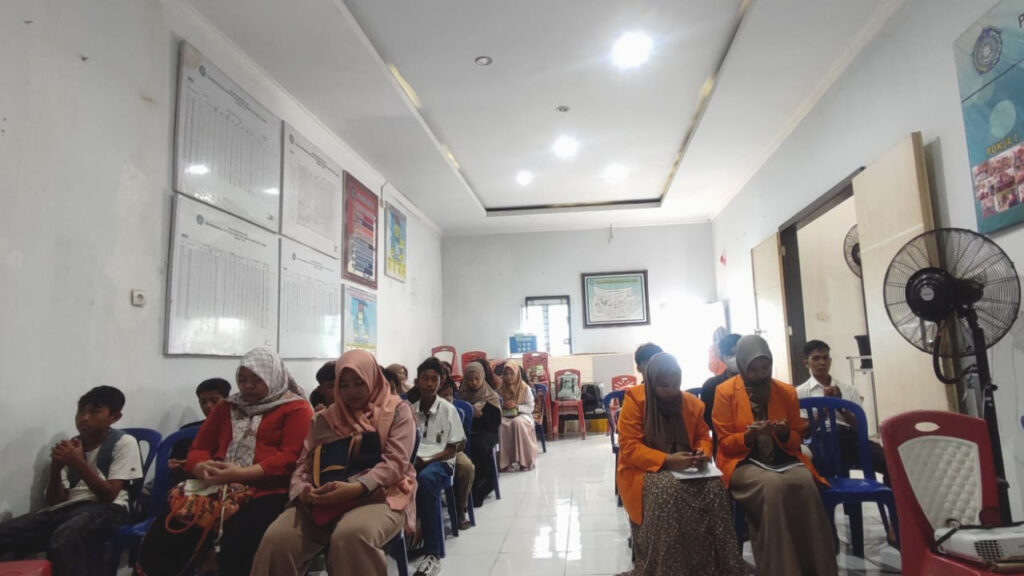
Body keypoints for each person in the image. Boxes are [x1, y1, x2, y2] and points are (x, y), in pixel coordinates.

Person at [252, 350, 416, 576]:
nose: (351, 392)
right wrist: (304, 492)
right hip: (324, 497)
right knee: (277, 540)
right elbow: (304, 464)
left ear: (373, 378)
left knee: (351, 536)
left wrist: (356, 488)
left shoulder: (397, 411)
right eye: (343, 385)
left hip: (381, 494)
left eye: (359, 383)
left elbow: (395, 463)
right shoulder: (325, 418)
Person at [712, 335, 838, 576]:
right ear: (742, 366)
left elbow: (796, 439)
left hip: (783, 459)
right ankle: (783, 568)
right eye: (753, 369)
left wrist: (784, 433)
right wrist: (749, 436)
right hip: (742, 463)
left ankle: (816, 569)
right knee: (774, 487)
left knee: (805, 484)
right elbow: (725, 443)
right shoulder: (725, 392)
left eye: (765, 367)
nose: (760, 374)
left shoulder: (785, 391)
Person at [616, 354, 747, 576]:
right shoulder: (636, 401)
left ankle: (716, 566)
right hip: (643, 470)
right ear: (652, 382)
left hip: (687, 466)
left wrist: (701, 453)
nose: (671, 391)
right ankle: (668, 569)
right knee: (668, 491)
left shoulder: (690, 403)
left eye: (676, 384)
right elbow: (629, 447)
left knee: (715, 487)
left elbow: (703, 436)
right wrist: (667, 460)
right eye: (664, 386)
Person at [185, 347, 312, 576]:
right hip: (218, 484)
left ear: (273, 376)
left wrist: (241, 474)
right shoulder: (227, 407)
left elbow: (291, 456)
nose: (248, 386)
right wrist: (200, 466)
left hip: (270, 489)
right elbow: (200, 448)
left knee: (241, 534)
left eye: (256, 379)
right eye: (242, 380)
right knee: (175, 524)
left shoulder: (296, 408)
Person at [0, 386, 143, 576]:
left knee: (64, 539)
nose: (84, 418)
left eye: (95, 412)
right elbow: (55, 502)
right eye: (81, 412)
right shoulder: (71, 446)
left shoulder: (124, 442)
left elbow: (109, 495)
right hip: (66, 510)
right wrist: (56, 468)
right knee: (5, 533)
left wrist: (78, 462)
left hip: (109, 509)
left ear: (114, 417)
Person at [796, 340, 888, 485]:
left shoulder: (848, 389)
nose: (822, 362)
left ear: (830, 360)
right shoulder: (799, 392)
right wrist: (826, 406)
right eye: (816, 358)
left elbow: (860, 427)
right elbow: (804, 432)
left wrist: (841, 407)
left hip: (850, 437)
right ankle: (833, 496)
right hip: (821, 439)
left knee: (889, 460)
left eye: (825, 358)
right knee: (825, 467)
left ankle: (893, 498)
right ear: (806, 363)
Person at [409, 357, 466, 576]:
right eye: (425, 379)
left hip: (441, 463)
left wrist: (430, 460)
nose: (429, 384)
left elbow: (455, 447)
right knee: (396, 480)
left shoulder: (448, 410)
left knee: (425, 480)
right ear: (417, 381)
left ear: (440, 382)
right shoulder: (410, 411)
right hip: (416, 461)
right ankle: (410, 538)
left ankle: (432, 553)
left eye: (434, 379)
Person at [168, 377, 231, 481]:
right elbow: (173, 465)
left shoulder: (237, 429)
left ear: (228, 401)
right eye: (203, 402)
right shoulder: (186, 432)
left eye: (214, 401)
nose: (208, 406)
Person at [460, 361, 502, 506]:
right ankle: (462, 491)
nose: (473, 383)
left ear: (482, 378)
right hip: (467, 433)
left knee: (477, 447)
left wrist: (480, 416)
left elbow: (494, 423)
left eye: (477, 379)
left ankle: (483, 486)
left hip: (487, 433)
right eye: (470, 379)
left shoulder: (490, 396)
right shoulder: (461, 396)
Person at [437, 376, 475, 529]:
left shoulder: (455, 412)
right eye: (444, 395)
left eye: (450, 395)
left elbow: (461, 440)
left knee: (467, 467)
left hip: (451, 451)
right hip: (429, 453)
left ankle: (460, 510)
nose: (448, 398)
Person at [699, 333, 741, 455]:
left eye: (739, 353)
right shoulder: (711, 386)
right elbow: (708, 421)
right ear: (722, 358)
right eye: (731, 354)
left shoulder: (755, 382)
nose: (736, 358)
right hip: (725, 445)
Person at [496, 360, 538, 471]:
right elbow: (496, 405)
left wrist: (516, 407)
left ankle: (525, 462)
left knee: (517, 422)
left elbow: (530, 407)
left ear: (517, 374)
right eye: (506, 374)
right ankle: (505, 463)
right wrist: (504, 405)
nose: (509, 377)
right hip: (506, 415)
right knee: (501, 424)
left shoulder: (525, 388)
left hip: (523, 415)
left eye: (512, 374)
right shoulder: (500, 389)